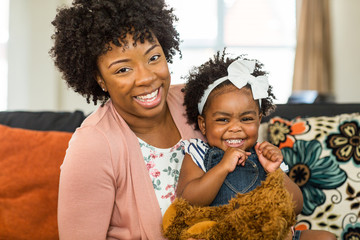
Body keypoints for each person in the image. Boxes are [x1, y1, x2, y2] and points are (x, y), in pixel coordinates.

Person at [50, 0, 205, 239]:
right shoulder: (92, 145)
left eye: (153, 58)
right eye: (123, 69)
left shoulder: (195, 102)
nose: (145, 78)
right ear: (100, 79)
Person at [176, 51, 337, 240]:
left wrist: (274, 172)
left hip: (272, 233)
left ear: (259, 120)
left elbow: (297, 206)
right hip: (227, 234)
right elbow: (188, 200)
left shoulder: (264, 154)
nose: (235, 128)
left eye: (246, 119)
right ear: (203, 124)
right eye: (223, 119)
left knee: (325, 237)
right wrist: (222, 168)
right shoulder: (198, 152)